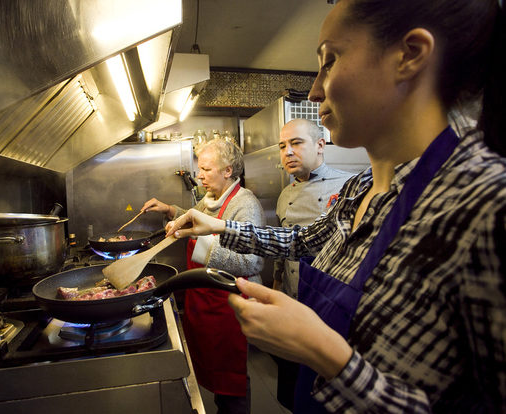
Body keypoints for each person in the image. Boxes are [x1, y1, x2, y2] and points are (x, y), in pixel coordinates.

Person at [165, 0, 506, 412]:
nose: (314, 90)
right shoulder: (360, 188)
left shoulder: (486, 205)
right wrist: (218, 228)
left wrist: (327, 355)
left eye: (330, 60)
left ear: (410, 55)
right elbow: (300, 240)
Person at [141, 138, 265, 414]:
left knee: (232, 384)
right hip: (206, 303)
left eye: (206, 169)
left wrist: (204, 248)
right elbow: (195, 218)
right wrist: (172, 212)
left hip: (230, 306)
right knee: (217, 380)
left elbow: (252, 261)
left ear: (228, 171)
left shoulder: (246, 205)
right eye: (199, 168)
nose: (199, 174)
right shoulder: (210, 198)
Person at [273, 118, 353, 410]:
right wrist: (278, 285)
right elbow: (284, 246)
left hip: (329, 306)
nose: (288, 152)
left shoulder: (347, 186)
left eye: (296, 143)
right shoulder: (284, 195)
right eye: (283, 146)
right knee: (293, 391)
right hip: (293, 303)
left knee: (324, 392)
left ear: (320, 145)